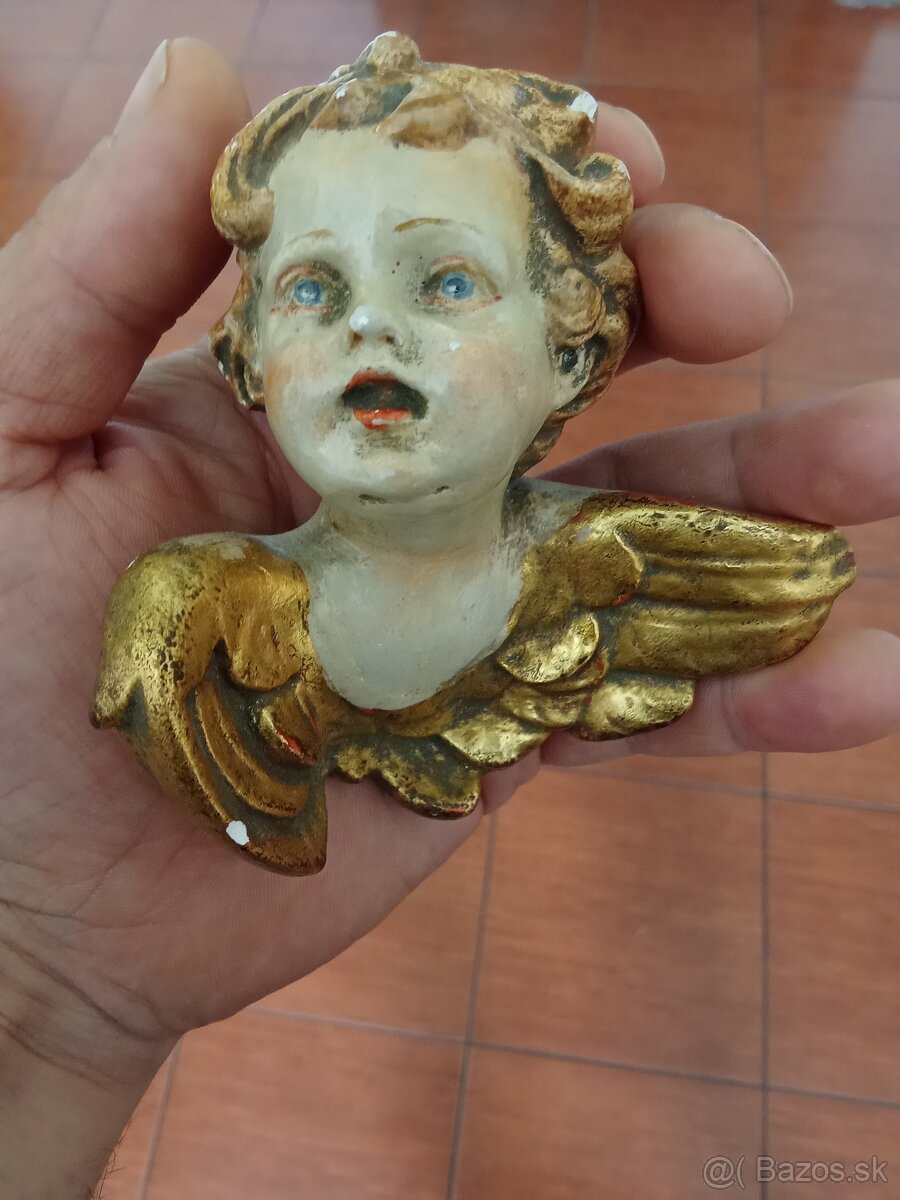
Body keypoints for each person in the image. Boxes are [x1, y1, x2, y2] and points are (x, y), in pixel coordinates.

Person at [0, 38, 897, 1199]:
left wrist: (43, 1001)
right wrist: (35, 968)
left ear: (568, 348)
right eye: (313, 289)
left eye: (448, 283)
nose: (369, 328)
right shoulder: (190, 606)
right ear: (251, 355)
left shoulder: (591, 569)